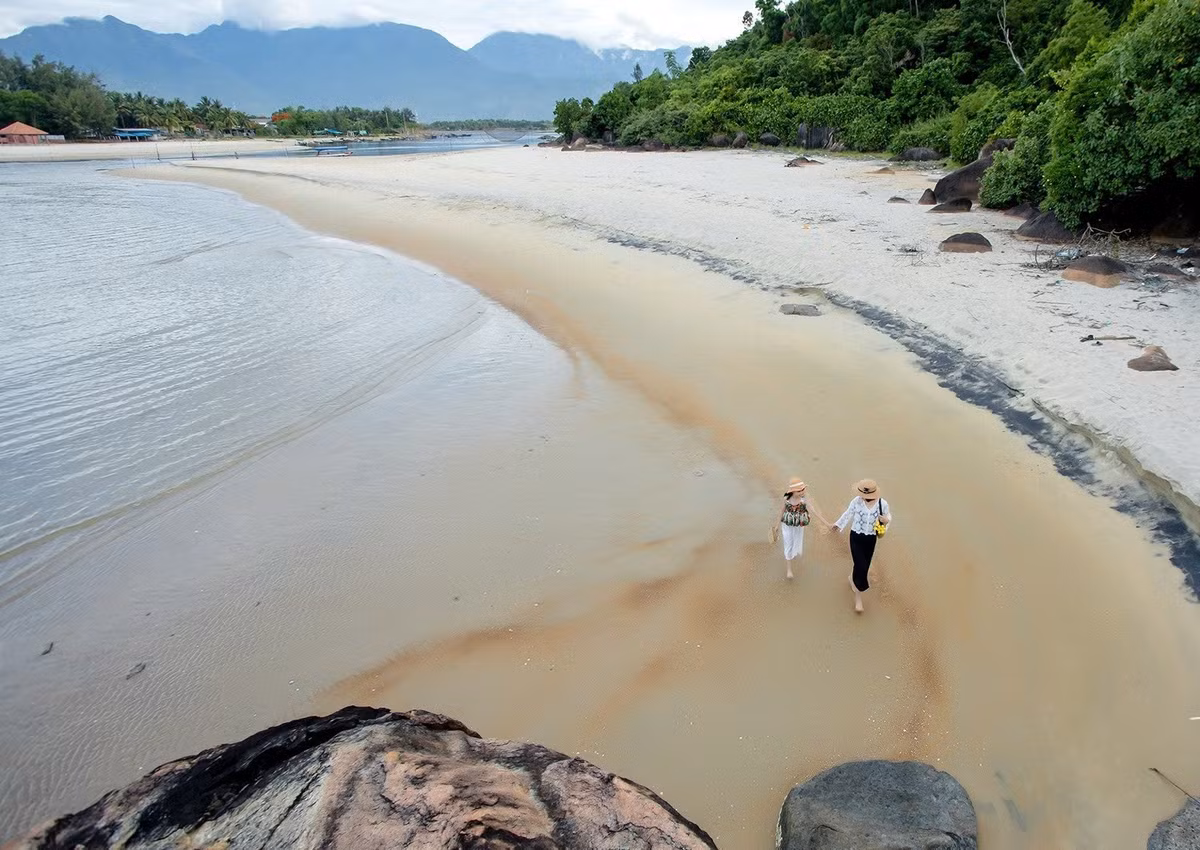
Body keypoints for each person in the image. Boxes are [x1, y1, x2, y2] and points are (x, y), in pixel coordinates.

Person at [830, 479, 891, 613]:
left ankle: (852, 578)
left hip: (871, 538)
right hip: (856, 536)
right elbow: (848, 514)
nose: (866, 499)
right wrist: (837, 524)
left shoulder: (882, 503)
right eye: (865, 497)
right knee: (861, 566)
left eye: (869, 498)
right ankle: (858, 598)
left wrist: (886, 521)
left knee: (864, 565)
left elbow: (888, 518)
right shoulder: (856, 501)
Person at [774, 478, 827, 580]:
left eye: (803, 489)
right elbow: (781, 512)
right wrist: (777, 526)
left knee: (797, 542)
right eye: (800, 490)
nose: (802, 492)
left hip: (799, 525)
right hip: (787, 525)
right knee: (788, 544)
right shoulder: (786, 499)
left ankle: (793, 554)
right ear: (793, 491)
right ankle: (789, 569)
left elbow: (814, 511)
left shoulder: (804, 499)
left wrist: (826, 524)